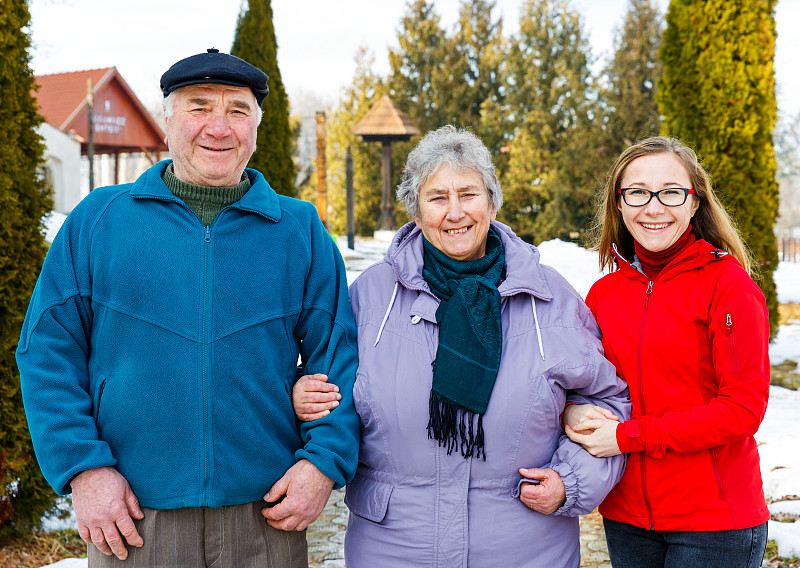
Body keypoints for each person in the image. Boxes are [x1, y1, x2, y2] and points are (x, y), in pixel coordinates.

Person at [16, 49, 359, 567]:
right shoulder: (98, 222)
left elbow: (340, 359)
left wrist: (322, 464)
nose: (219, 127)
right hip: (131, 516)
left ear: (256, 127)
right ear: (167, 121)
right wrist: (84, 470)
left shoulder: (300, 232)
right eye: (199, 107)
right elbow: (46, 351)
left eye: (238, 110)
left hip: (264, 515)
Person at [293, 125, 631, 567]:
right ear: (416, 211)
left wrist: (570, 481)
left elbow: (608, 401)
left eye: (468, 194)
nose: (455, 212)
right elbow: (332, 380)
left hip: (524, 547)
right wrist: (303, 391)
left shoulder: (548, 297)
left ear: (492, 202)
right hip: (394, 549)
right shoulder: (372, 296)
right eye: (437, 198)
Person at [564, 136, 770, 567]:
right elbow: (583, 384)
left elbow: (742, 409)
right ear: (618, 204)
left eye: (670, 192)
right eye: (637, 192)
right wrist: (571, 410)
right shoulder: (603, 295)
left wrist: (628, 437)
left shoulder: (728, 287)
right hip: (627, 517)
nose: (653, 207)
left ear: (695, 202)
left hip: (714, 524)